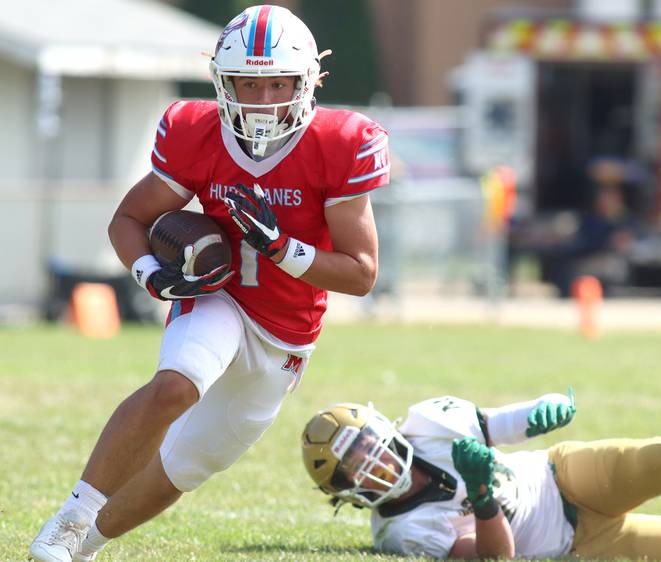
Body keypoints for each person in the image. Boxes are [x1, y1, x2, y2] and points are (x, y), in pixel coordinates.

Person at [29, 5, 390, 561]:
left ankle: (83, 547)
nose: (264, 100)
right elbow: (128, 220)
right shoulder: (197, 132)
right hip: (218, 295)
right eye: (248, 83)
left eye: (278, 83)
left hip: (287, 336)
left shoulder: (340, 142)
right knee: (177, 384)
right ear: (223, 82)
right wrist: (150, 274)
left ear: (309, 82)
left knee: (183, 467)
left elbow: (362, 273)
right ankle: (71, 520)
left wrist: (281, 248)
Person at [302, 391, 661, 560]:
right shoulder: (401, 532)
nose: (374, 463)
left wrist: (544, 409)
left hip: (562, 475)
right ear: (344, 492)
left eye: (368, 446)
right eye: (355, 467)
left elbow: (503, 423)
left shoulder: (428, 424)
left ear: (385, 429)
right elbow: (498, 555)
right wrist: (480, 495)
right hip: (578, 542)